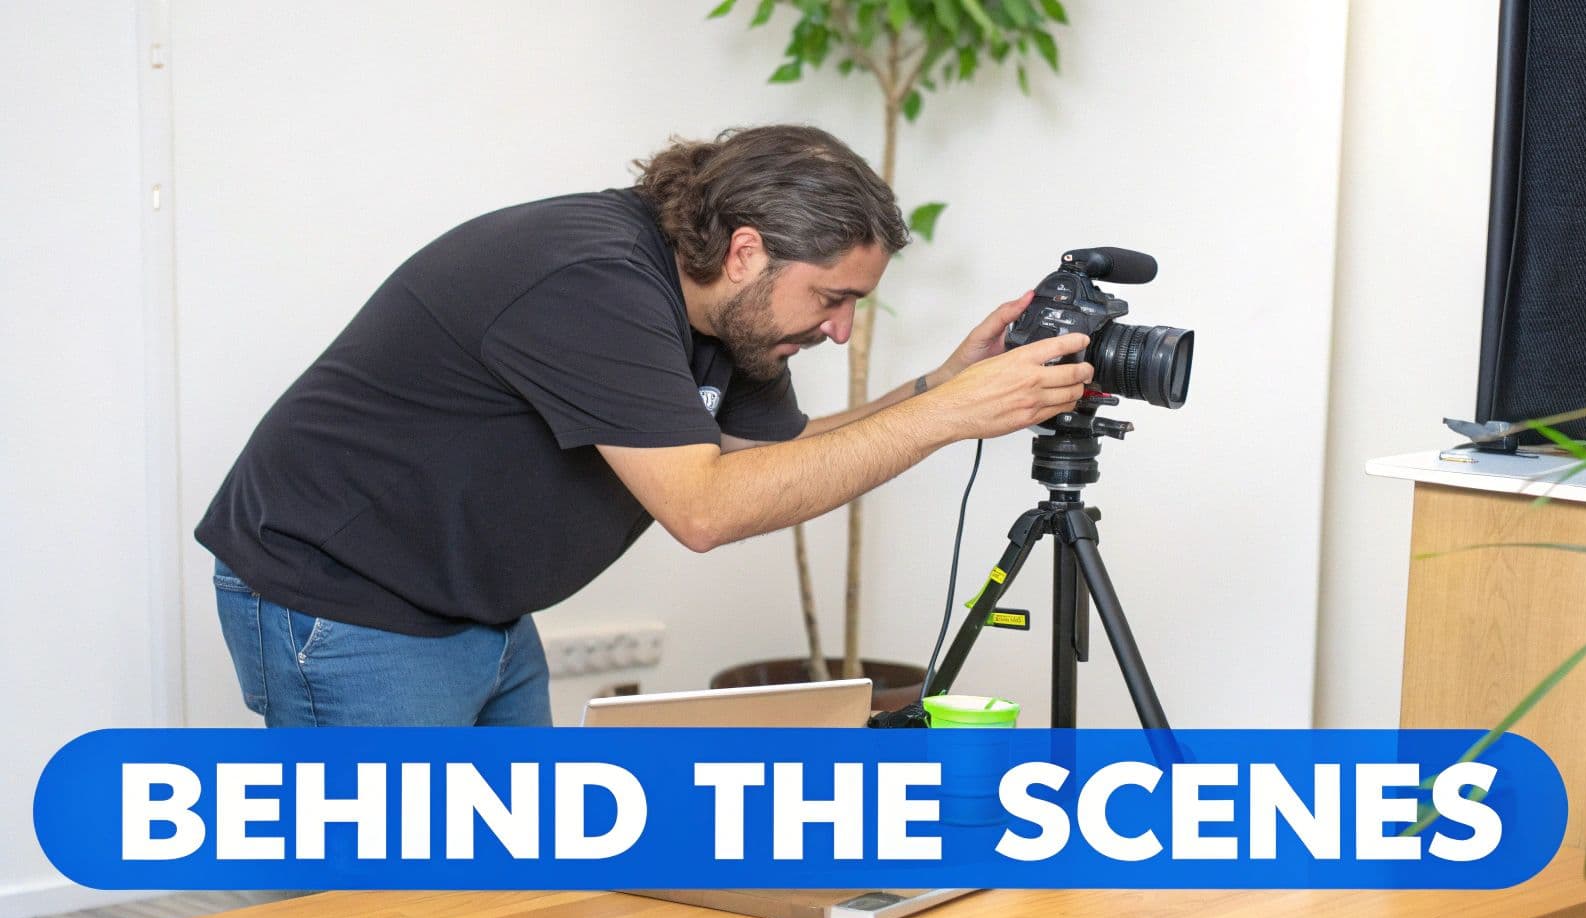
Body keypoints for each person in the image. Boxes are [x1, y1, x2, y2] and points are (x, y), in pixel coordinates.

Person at [197, 123, 1094, 727]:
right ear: (746, 249)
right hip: (348, 606)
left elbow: (772, 459)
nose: (839, 329)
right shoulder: (592, 279)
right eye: (833, 297)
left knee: (513, 902)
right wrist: (945, 420)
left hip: (480, 609)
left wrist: (941, 386)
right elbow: (705, 509)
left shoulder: (732, 317)